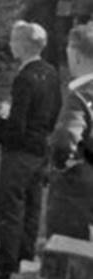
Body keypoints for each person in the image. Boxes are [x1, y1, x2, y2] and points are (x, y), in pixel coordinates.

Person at [0, 21, 60, 279]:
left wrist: (0, 132)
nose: (11, 45)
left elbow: (17, 123)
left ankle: (5, 264)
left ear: (23, 46)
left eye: (13, 40)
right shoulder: (51, 72)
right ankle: (24, 257)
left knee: (10, 208)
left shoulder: (24, 78)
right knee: (32, 208)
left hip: (19, 153)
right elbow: (55, 110)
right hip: (40, 148)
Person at [45, 24, 93, 240]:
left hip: (79, 189)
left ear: (78, 57)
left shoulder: (79, 97)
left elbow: (64, 141)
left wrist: (60, 163)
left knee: (69, 252)